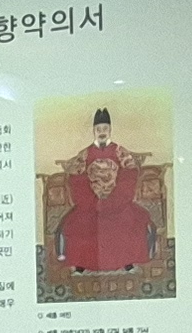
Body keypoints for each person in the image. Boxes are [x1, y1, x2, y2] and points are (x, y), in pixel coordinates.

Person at [56, 108, 156, 273]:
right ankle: (82, 264)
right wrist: (91, 202)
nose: (102, 132)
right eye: (98, 129)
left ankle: (127, 262)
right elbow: (77, 178)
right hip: (89, 205)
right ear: (94, 131)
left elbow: (129, 175)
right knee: (76, 226)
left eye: (105, 129)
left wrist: (116, 200)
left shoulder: (120, 152)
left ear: (110, 130)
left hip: (118, 203)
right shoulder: (85, 154)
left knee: (131, 223)